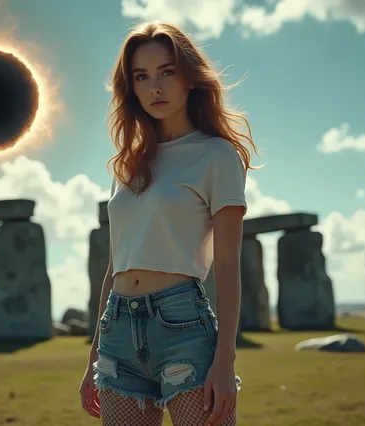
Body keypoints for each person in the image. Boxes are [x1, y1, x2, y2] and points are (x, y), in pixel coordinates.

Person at [79, 21, 259, 426]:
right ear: (132, 88)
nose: (155, 87)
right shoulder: (126, 164)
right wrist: (94, 356)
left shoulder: (217, 156)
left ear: (190, 78)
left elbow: (228, 264)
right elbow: (115, 264)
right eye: (142, 77)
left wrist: (225, 361)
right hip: (117, 328)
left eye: (167, 72)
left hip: (182, 324)